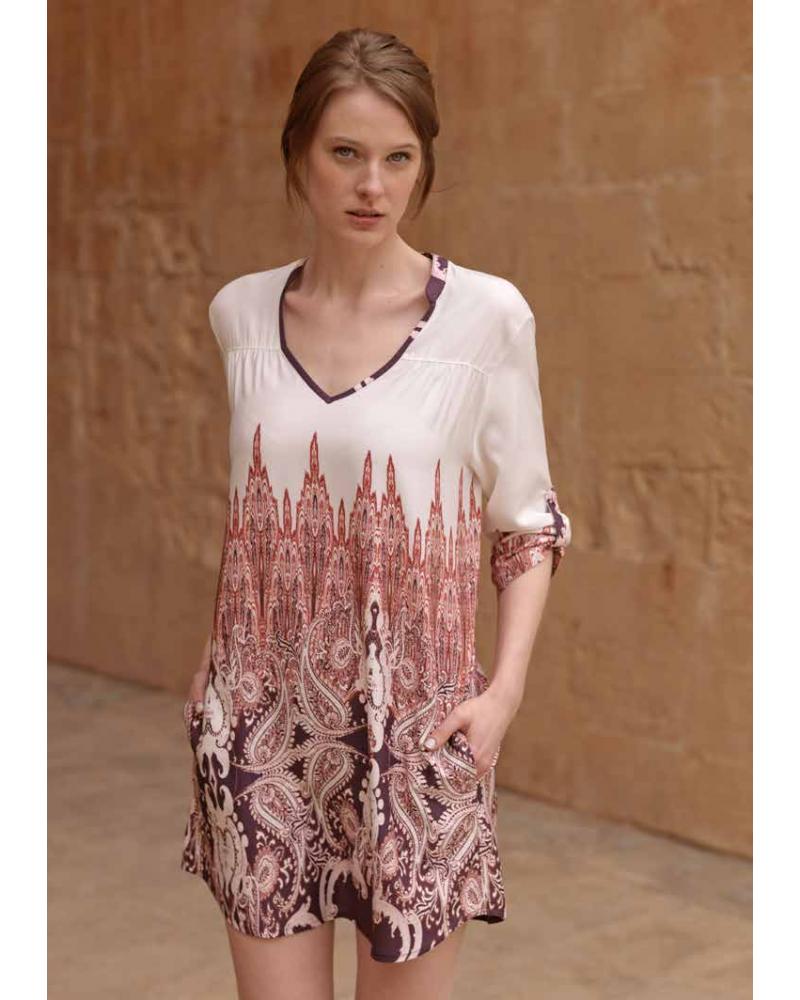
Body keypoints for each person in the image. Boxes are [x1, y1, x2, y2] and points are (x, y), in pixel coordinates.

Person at [180, 26, 571, 1000]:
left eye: (398, 159)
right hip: (260, 734)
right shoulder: (239, 316)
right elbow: (251, 512)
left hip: (419, 736)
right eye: (345, 152)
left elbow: (526, 524)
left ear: (423, 166)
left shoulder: (486, 319)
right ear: (298, 155)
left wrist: (503, 695)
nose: (371, 185)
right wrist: (212, 672)